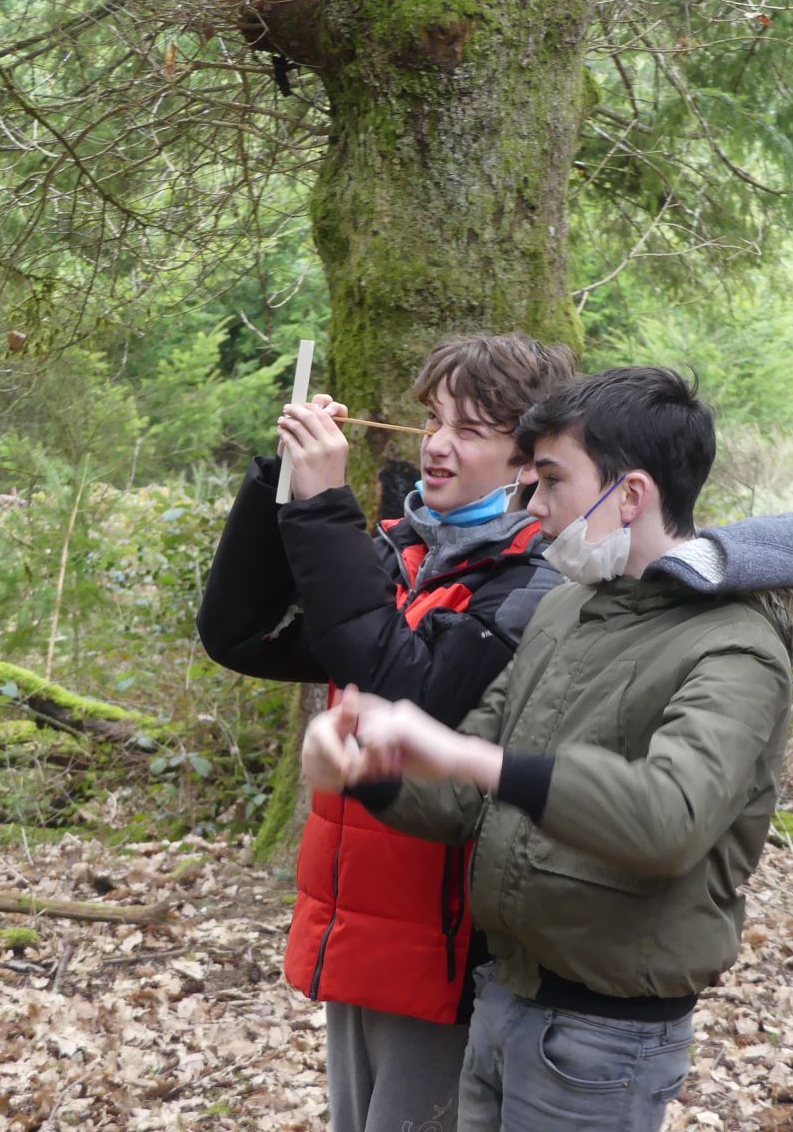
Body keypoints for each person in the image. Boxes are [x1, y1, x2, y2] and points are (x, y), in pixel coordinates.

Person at [302, 366, 793, 1132]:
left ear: (631, 495)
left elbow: (667, 819)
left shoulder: (736, 646)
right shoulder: (563, 611)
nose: (534, 507)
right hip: (504, 998)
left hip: (602, 1039)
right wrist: (369, 773)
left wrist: (464, 759)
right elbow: (465, 798)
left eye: (551, 482)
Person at [196, 335, 577, 1132]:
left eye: (470, 430)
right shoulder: (403, 556)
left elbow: (408, 686)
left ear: (525, 462)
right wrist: (282, 486)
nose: (437, 446)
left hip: (446, 959)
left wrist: (325, 511)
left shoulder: (532, 583)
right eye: (433, 419)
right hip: (359, 935)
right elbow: (240, 635)